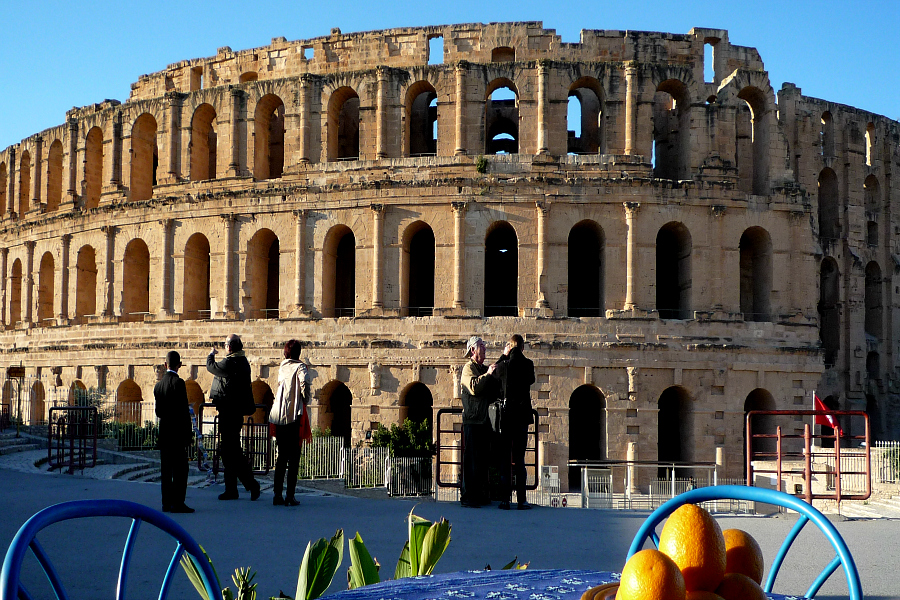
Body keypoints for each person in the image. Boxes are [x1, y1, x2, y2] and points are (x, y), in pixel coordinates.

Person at [206, 334, 260, 501]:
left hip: (229, 412)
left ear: (229, 347)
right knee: (231, 452)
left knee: (231, 453)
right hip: (234, 412)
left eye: (225, 345)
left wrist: (211, 354)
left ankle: (248, 485)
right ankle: (236, 488)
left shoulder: (231, 362)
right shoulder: (242, 361)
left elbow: (212, 367)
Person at [495, 334, 535, 510]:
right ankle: (522, 500)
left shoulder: (504, 365)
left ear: (510, 347)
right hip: (522, 417)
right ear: (523, 347)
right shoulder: (528, 364)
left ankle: (505, 499)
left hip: (507, 417)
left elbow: (493, 371)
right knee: (519, 459)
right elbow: (531, 380)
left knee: (504, 458)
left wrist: (504, 355)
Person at [460, 336, 501, 507]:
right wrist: (488, 374)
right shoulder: (468, 369)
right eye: (481, 347)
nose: (484, 350)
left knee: (484, 460)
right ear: (472, 350)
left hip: (483, 420)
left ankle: (482, 494)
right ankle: (469, 497)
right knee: (472, 461)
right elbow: (474, 387)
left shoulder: (481, 368)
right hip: (472, 421)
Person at [154, 350, 195, 513]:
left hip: (164, 432)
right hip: (177, 433)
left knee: (166, 469)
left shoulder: (158, 386)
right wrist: (188, 434)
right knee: (180, 469)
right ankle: (178, 503)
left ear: (165, 365)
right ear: (179, 365)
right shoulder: (179, 383)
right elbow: (184, 412)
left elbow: (158, 412)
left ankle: (166, 502)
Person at [269, 339, 308, 506]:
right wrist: (305, 398)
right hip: (293, 416)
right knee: (294, 458)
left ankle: (277, 495)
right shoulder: (300, 367)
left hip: (278, 415)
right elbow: (304, 383)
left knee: (281, 457)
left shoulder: (282, 366)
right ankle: (290, 496)